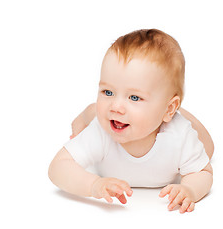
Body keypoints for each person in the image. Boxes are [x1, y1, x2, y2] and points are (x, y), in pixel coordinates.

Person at [48, 29, 214, 213]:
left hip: (173, 120)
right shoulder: (101, 130)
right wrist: (93, 184)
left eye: (134, 97)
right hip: (121, 115)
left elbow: (202, 172)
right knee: (97, 112)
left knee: (208, 147)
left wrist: (190, 189)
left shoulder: (179, 136)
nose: (116, 106)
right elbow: (58, 167)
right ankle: (88, 112)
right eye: (108, 92)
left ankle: (176, 112)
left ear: (169, 108)